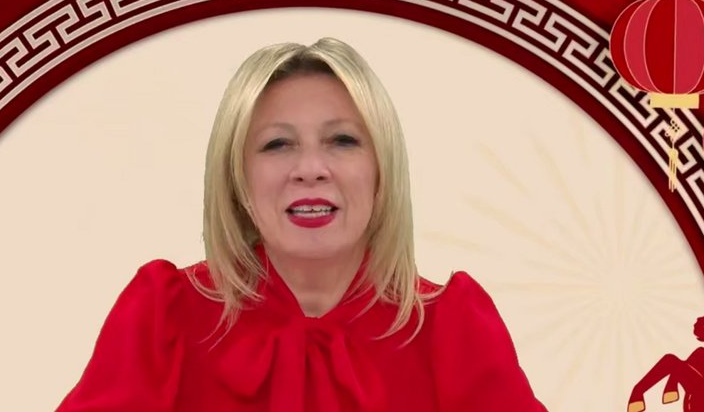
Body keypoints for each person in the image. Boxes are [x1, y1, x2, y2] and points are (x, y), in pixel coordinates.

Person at [55, 38, 547, 412]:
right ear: (237, 178)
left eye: (342, 141)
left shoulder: (450, 325)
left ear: (382, 170)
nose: (310, 168)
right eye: (277, 144)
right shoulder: (162, 316)